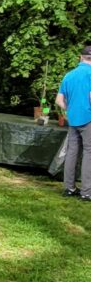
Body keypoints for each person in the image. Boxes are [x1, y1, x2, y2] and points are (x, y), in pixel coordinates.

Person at [55, 46, 91, 201]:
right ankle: (87, 192)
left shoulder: (69, 75)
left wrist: (70, 109)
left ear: (80, 57)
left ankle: (69, 188)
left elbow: (58, 100)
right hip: (88, 118)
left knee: (71, 152)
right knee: (89, 154)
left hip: (73, 119)